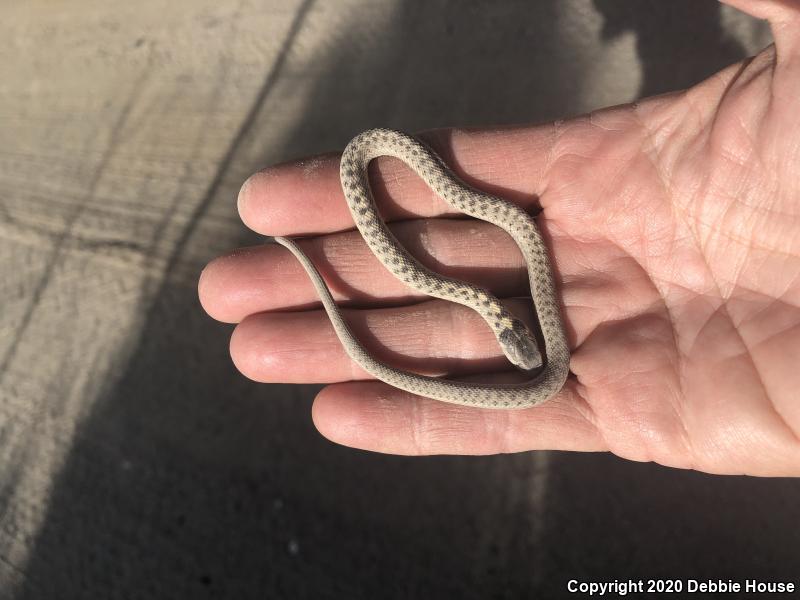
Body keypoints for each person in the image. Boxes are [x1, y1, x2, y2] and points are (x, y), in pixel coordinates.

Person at [198, 0, 799, 476]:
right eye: (527, 348)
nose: (534, 352)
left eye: (527, 348)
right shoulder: (498, 297)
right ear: (511, 327)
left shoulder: (517, 310)